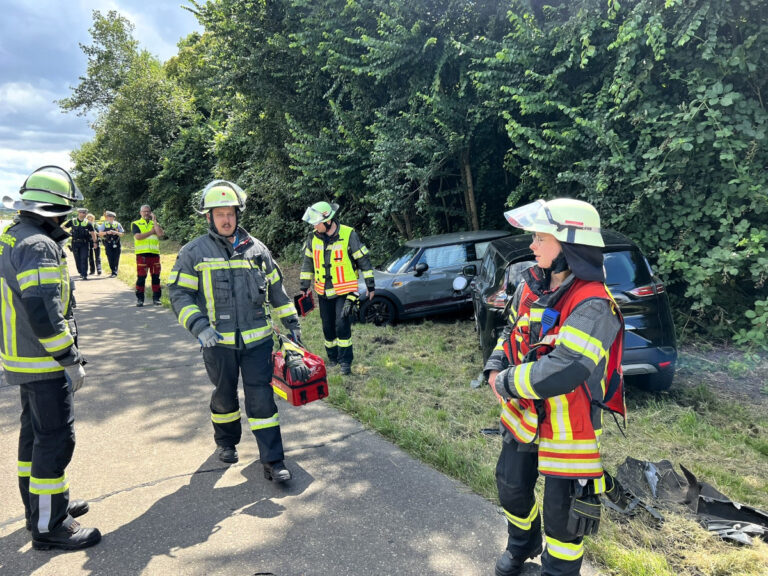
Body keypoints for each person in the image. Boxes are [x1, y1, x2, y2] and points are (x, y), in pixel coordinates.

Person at [483, 198, 624, 576]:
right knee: (511, 487)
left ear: (569, 244)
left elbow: (566, 369)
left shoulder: (594, 303)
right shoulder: (532, 285)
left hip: (569, 426)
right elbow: (511, 334)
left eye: (540, 238)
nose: (532, 246)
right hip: (524, 415)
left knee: (562, 518)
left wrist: (508, 381)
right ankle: (521, 544)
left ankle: (557, 571)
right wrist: (496, 363)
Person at [168, 180, 305, 482]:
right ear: (209, 217)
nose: (226, 220)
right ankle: (226, 442)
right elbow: (179, 294)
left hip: (258, 342)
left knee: (262, 400)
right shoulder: (194, 253)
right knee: (224, 395)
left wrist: (292, 325)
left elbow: (278, 292)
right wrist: (199, 326)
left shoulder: (257, 249)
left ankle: (273, 460)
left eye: (230, 213)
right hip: (217, 344)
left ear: (238, 215)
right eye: (219, 214)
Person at [0, 166, 101, 551]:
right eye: (66, 211)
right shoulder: (39, 245)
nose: (68, 219)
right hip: (43, 361)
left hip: (20, 357)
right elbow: (43, 309)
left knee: (34, 437)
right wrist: (69, 358)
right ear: (53, 209)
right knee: (56, 440)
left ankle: (40, 506)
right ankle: (50, 526)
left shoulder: (12, 236)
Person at [299, 201, 375, 375]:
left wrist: (370, 285)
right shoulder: (313, 237)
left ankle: (345, 362)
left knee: (342, 324)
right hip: (323, 291)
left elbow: (363, 260)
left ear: (328, 221)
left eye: (316, 222)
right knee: (327, 327)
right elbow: (307, 262)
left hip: (345, 290)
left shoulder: (349, 235)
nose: (314, 226)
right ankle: (333, 358)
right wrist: (304, 286)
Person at [131, 204, 164, 306]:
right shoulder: (136, 224)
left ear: (151, 213)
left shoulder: (155, 224)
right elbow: (138, 237)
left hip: (154, 255)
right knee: (141, 278)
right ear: (140, 213)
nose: (146, 213)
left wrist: (154, 222)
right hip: (142, 255)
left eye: (148, 211)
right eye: (144, 211)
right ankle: (140, 299)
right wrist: (150, 232)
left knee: (156, 277)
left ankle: (156, 298)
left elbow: (160, 234)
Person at [63, 207, 96, 280]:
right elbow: (63, 228)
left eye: (85, 213)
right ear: (79, 213)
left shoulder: (88, 223)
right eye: (82, 213)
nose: (84, 214)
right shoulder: (72, 221)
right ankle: (81, 271)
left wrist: (95, 242)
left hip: (84, 243)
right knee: (77, 259)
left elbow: (93, 233)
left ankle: (84, 274)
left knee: (84, 258)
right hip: (75, 243)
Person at [99, 211, 124, 277]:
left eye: (111, 217)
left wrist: (116, 233)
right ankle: (113, 270)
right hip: (108, 242)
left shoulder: (117, 224)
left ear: (114, 217)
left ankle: (115, 271)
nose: (109, 218)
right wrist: (107, 232)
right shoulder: (104, 224)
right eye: (108, 217)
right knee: (110, 257)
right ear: (107, 217)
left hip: (116, 242)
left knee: (116, 257)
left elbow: (122, 234)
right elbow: (100, 233)